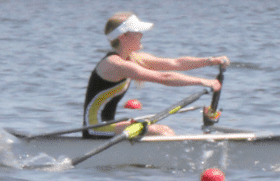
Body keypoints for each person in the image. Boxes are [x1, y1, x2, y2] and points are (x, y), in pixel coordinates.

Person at [83, 13, 227, 137]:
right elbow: (164, 78)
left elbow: (175, 63)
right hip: (95, 129)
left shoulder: (134, 58)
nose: (141, 35)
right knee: (162, 132)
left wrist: (210, 61)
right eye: (137, 32)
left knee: (165, 130)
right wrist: (204, 81)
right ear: (123, 37)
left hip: (108, 126)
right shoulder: (115, 64)